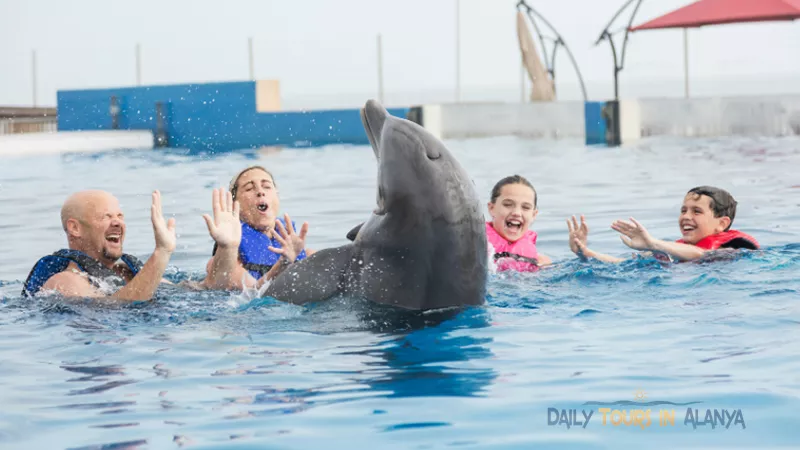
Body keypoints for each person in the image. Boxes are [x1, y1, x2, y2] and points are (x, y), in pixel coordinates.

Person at [22, 190, 177, 301]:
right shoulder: (65, 282)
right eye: (106, 216)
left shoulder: (127, 271)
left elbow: (178, 291)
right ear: (75, 228)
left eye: (120, 216)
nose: (117, 222)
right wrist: (162, 252)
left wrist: (201, 284)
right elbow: (119, 308)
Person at [568, 185, 760, 263]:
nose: (686, 216)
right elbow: (624, 264)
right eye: (683, 210)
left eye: (697, 211)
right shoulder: (676, 248)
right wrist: (585, 252)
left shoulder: (732, 247)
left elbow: (702, 254)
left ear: (721, 224)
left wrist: (652, 243)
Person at [201, 166, 313, 290]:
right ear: (234, 205)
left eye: (267, 186)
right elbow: (252, 294)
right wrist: (227, 247)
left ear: (277, 197)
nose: (260, 191)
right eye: (249, 188)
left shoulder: (307, 255)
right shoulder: (226, 262)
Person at [486, 175, 552, 272]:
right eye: (508, 205)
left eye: (525, 207)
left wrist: (581, 256)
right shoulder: (476, 244)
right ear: (492, 208)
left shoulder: (541, 262)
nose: (516, 213)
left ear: (534, 215)